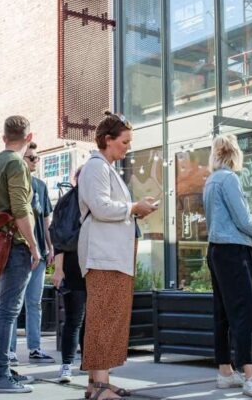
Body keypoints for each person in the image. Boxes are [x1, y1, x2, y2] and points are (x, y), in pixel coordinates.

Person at [78, 111, 157, 400]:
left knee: (109, 318)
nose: (128, 147)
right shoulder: (96, 167)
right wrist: (134, 208)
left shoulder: (105, 168)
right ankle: (99, 386)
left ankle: (98, 383)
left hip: (111, 255)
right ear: (108, 140)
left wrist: (135, 207)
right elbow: (100, 206)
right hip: (104, 256)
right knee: (103, 319)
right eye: (125, 141)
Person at [203, 133, 252, 398]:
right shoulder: (229, 178)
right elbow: (241, 217)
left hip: (216, 250)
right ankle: (250, 376)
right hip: (233, 249)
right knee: (246, 311)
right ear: (235, 153)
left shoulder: (210, 180)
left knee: (223, 312)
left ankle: (225, 371)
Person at [0, 115, 42, 394]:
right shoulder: (17, 162)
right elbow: (20, 207)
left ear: (4, 137)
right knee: (8, 310)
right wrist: (33, 244)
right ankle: (1, 375)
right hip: (14, 244)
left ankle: (2, 368)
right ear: (28, 138)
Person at [9, 142, 55, 365]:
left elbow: (46, 219)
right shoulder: (14, 183)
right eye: (31, 157)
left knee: (34, 302)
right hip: (19, 252)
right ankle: (9, 351)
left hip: (40, 254)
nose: (35, 161)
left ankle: (35, 348)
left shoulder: (41, 186)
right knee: (13, 304)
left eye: (36, 158)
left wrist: (50, 246)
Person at [52, 167, 86, 383]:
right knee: (74, 319)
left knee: (92, 320)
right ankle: (67, 365)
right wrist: (58, 269)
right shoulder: (67, 202)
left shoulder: (99, 201)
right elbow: (59, 239)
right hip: (73, 266)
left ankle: (90, 363)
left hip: (95, 265)